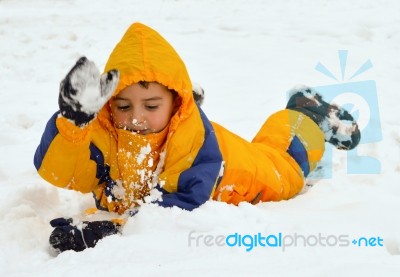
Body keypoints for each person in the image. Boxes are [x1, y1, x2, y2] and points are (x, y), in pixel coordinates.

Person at [34, 22, 360, 253]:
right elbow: (64, 170)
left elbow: (183, 203)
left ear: (176, 102)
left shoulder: (190, 144)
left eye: (151, 105)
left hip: (234, 172)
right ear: (107, 105)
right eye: (123, 105)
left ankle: (305, 113)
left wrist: (115, 227)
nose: (136, 116)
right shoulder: (107, 131)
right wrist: (73, 126)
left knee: (285, 167)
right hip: (197, 135)